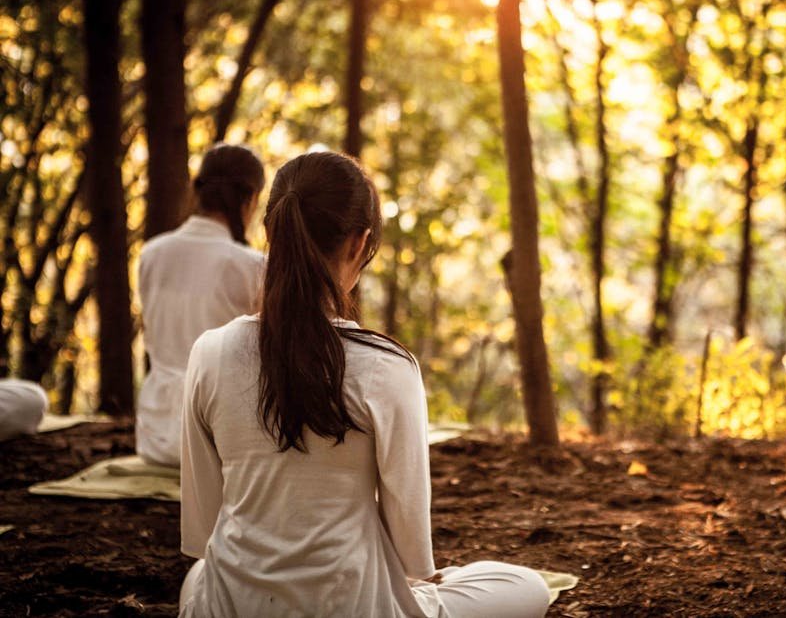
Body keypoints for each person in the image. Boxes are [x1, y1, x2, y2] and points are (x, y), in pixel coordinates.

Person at [178, 152, 550, 617]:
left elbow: (204, 528)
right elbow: (413, 553)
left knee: (198, 577)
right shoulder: (386, 366)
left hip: (233, 607)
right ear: (360, 243)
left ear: (271, 233)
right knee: (525, 586)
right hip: (353, 606)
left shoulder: (209, 352)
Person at [136, 144, 266, 467]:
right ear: (249, 198)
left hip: (154, 435)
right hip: (219, 440)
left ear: (199, 191)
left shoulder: (151, 254)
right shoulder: (251, 266)